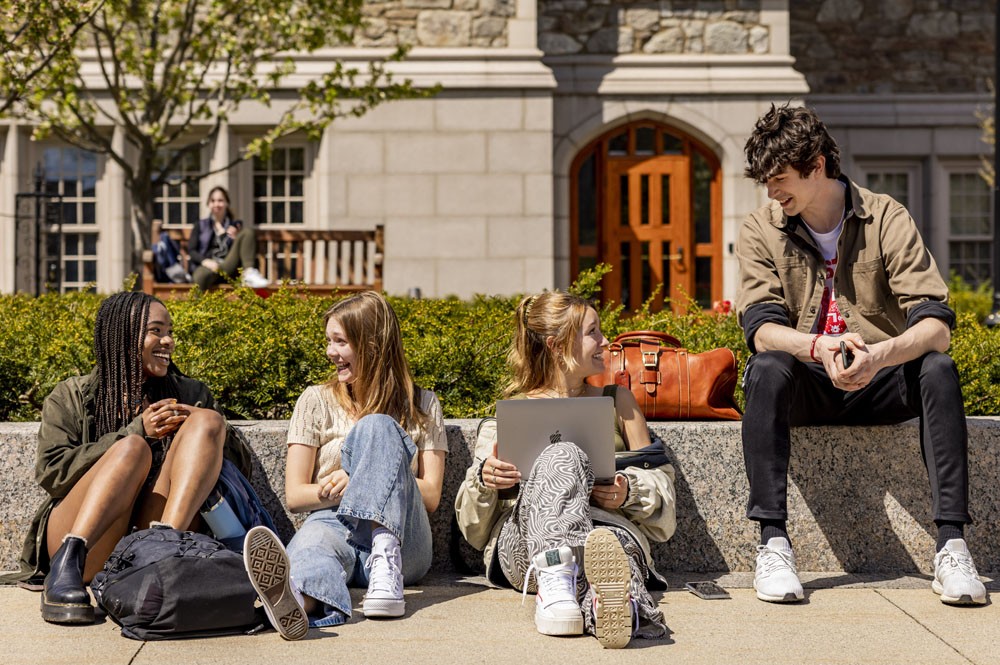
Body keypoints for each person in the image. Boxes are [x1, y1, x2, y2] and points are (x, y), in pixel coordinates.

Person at [736, 103, 987, 605]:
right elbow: (761, 328)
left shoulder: (886, 216)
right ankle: (773, 544)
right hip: (808, 381)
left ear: (817, 165)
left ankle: (953, 547)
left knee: (937, 369)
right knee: (766, 368)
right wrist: (815, 345)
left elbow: (936, 326)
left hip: (880, 380)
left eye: (780, 178)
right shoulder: (761, 227)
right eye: (765, 181)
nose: (772, 191)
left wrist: (881, 354)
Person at [0, 292, 306, 640]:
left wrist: (207, 426)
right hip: (84, 541)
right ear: (125, 336)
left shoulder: (189, 393)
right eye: (155, 331)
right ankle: (65, 568)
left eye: (170, 331)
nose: (168, 341)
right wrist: (137, 431)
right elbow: (52, 473)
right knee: (133, 448)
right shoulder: (71, 395)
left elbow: (232, 471)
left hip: (151, 535)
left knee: (207, 422)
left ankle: (164, 554)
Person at [455, 291, 677, 649]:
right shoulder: (511, 414)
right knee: (565, 455)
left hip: (605, 531)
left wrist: (628, 491)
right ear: (558, 346)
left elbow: (666, 509)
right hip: (526, 548)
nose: (605, 341)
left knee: (612, 551)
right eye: (593, 332)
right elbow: (473, 532)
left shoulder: (619, 402)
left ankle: (610, 606)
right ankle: (575, 587)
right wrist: (486, 481)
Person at [282, 291, 448, 627]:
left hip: (403, 539)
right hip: (333, 524)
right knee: (309, 552)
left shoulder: (424, 405)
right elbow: (295, 495)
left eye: (340, 342)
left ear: (371, 346)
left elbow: (430, 497)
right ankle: (297, 603)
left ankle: (385, 565)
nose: (331, 352)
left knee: (377, 427)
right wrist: (356, 484)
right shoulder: (315, 400)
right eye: (329, 341)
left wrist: (362, 476)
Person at [188, 186, 268, 290]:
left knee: (247, 232)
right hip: (209, 266)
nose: (216, 204)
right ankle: (197, 305)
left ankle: (249, 273)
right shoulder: (201, 225)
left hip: (228, 266)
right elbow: (192, 250)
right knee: (200, 276)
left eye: (220, 200)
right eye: (213, 201)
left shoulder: (234, 226)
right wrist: (205, 261)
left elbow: (245, 250)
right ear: (209, 203)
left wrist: (236, 238)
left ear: (227, 203)